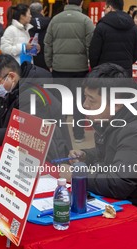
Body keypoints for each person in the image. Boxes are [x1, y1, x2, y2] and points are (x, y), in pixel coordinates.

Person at [65, 63, 137, 211]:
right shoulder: (118, 114)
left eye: (91, 100)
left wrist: (77, 177)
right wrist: (87, 156)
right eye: (85, 97)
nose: (85, 105)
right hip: (126, 200)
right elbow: (115, 150)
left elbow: (120, 183)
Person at [0, 54, 72, 161]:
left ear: (11, 76)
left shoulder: (32, 96)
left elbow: (19, 133)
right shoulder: (13, 89)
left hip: (49, 158)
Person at [44, 0, 95, 143]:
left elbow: (48, 44)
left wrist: (50, 63)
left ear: (67, 1)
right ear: (82, 2)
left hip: (59, 69)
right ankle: (78, 134)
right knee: (79, 102)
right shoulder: (86, 20)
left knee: (59, 102)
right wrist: (90, 61)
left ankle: (60, 136)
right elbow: (91, 45)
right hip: (80, 69)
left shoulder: (55, 19)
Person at [89, 0, 137, 77]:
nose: (104, 9)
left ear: (110, 7)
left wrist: (97, 68)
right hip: (125, 72)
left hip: (104, 73)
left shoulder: (101, 26)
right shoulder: (134, 27)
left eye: (105, 7)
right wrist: (128, 61)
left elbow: (94, 53)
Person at [29, 2, 50, 70]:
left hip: (30, 56)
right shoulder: (49, 21)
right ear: (42, 11)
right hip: (45, 56)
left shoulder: (26, 22)